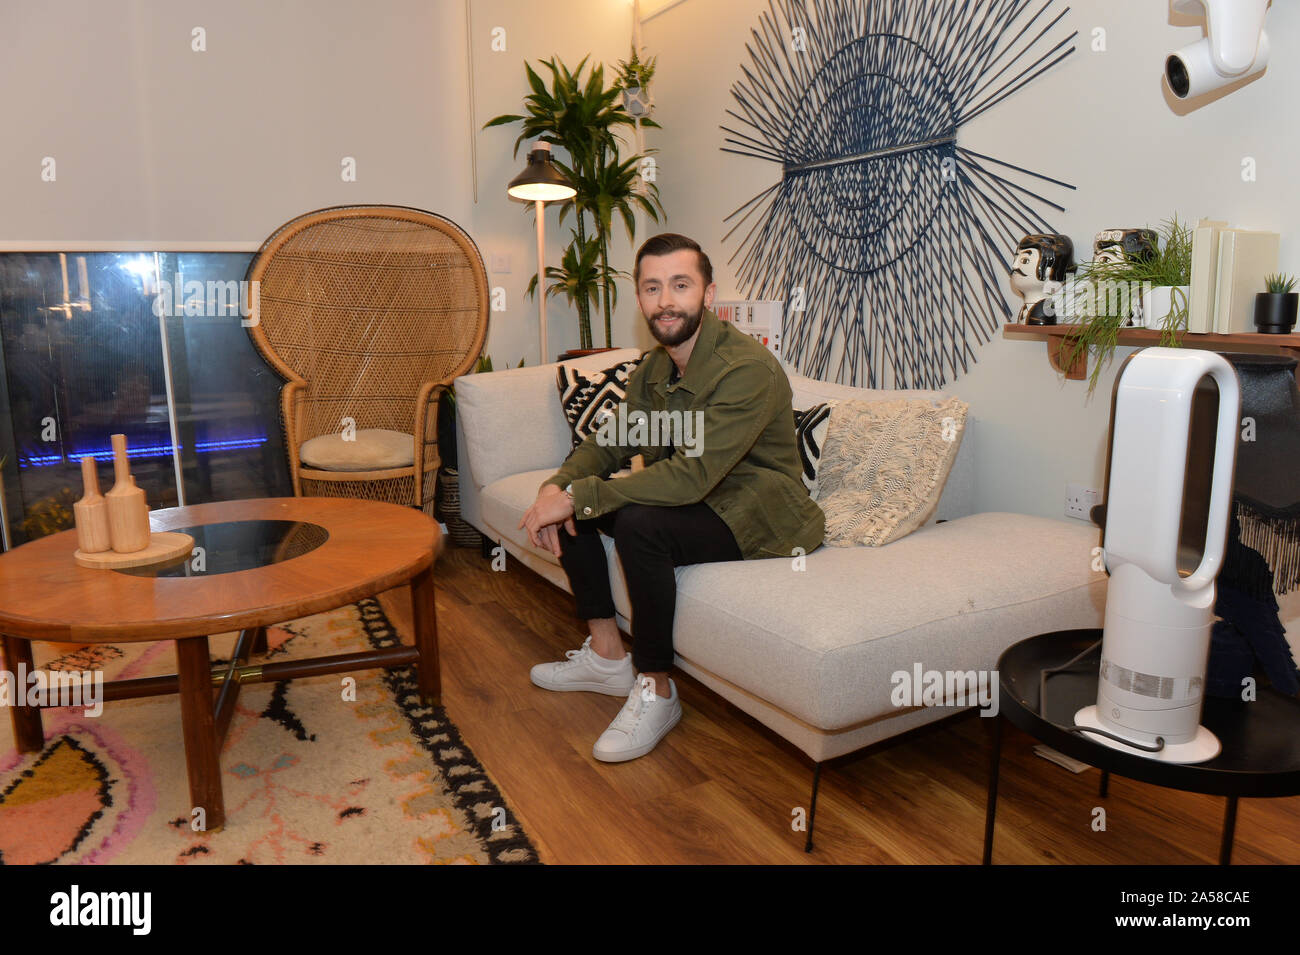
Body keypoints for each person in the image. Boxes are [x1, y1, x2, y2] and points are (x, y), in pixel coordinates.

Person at [518, 233, 825, 762]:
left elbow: (694, 476)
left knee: (634, 522)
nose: (666, 300)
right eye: (653, 287)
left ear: (707, 294)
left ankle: (657, 687)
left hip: (760, 512)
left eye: (680, 285)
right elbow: (614, 440)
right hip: (698, 497)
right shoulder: (656, 367)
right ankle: (607, 657)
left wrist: (579, 497)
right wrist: (558, 485)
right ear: (639, 299)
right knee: (584, 506)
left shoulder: (745, 368)